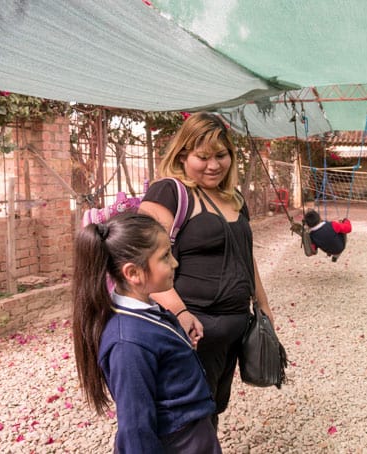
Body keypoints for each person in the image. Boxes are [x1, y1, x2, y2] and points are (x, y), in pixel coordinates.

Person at [138, 112, 275, 431]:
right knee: (187, 417)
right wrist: (181, 313)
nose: (213, 165)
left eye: (221, 155)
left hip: (232, 331)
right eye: (203, 157)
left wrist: (263, 306)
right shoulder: (169, 194)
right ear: (183, 154)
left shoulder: (235, 199)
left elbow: (245, 256)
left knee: (210, 408)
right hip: (190, 331)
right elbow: (142, 264)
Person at [71, 212, 221, 453]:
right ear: (133, 273)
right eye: (165, 257)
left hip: (193, 435)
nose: (175, 263)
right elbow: (135, 429)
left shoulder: (146, 311)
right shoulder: (128, 343)